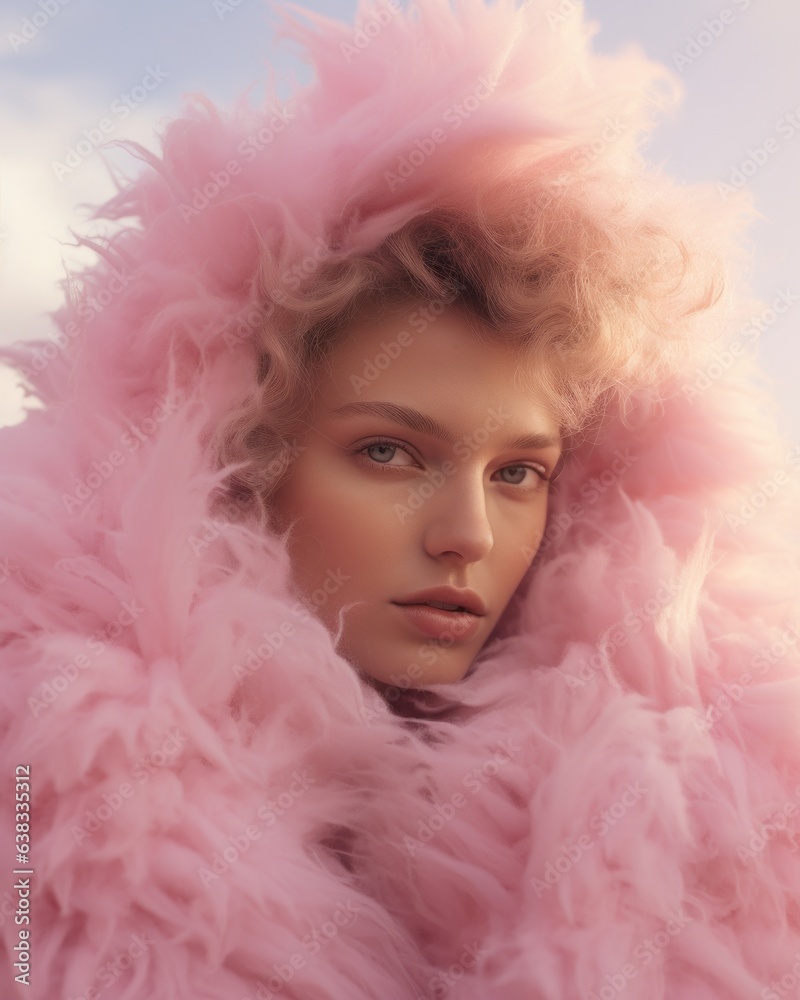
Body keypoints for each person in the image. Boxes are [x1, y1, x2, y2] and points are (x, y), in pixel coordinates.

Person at [1, 0, 799, 997]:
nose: (468, 535)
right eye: (388, 451)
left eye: (518, 473)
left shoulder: (733, 827)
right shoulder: (39, 811)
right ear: (235, 459)